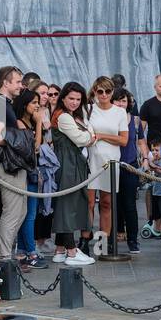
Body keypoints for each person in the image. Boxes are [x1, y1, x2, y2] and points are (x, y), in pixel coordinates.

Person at [50, 82, 95, 266]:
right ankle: (71, 251)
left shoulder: (70, 116)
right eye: (71, 98)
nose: (75, 102)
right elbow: (83, 138)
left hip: (72, 163)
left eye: (78, 99)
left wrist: (88, 135)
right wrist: (90, 136)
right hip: (67, 164)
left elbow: (87, 133)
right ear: (63, 98)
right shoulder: (64, 117)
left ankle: (60, 250)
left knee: (68, 203)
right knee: (67, 205)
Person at [0, 65, 27, 268]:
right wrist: (22, 139)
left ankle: (5, 254)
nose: (22, 85)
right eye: (18, 81)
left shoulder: (4, 103)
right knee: (13, 211)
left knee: (20, 210)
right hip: (6, 164)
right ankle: (3, 258)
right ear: (6, 82)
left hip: (12, 163)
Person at [85, 76, 128, 245]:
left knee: (106, 202)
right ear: (95, 91)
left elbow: (123, 140)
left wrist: (101, 136)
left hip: (110, 160)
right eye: (100, 91)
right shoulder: (88, 109)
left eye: (108, 91)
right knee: (88, 203)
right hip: (90, 159)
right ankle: (85, 239)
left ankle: (104, 243)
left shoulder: (119, 112)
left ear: (112, 92)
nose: (104, 95)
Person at [12, 88, 47, 267]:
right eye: (34, 102)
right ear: (24, 104)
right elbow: (35, 148)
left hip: (30, 173)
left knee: (27, 213)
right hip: (24, 174)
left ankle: (22, 251)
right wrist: (39, 122)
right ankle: (31, 252)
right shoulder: (19, 123)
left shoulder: (28, 122)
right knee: (29, 214)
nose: (37, 105)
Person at [111, 88, 142, 254]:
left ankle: (133, 240)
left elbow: (141, 140)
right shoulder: (107, 119)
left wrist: (145, 157)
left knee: (129, 205)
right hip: (110, 166)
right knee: (110, 204)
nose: (121, 104)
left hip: (129, 165)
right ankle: (109, 239)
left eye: (124, 101)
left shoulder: (135, 120)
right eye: (118, 100)